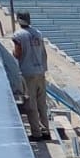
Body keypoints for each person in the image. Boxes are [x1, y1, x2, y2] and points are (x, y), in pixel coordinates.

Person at [12, 11, 50, 141]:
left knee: (31, 104)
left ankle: (36, 133)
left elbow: (17, 53)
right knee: (42, 103)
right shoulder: (38, 33)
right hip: (40, 72)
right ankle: (46, 131)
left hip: (28, 73)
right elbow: (44, 53)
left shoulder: (18, 35)